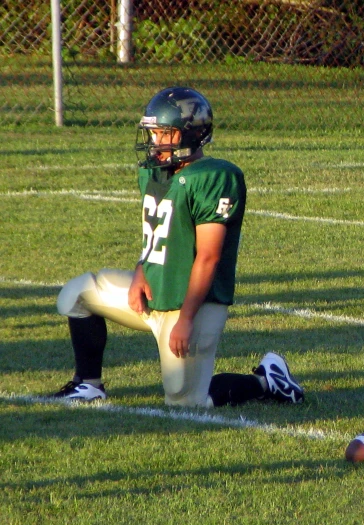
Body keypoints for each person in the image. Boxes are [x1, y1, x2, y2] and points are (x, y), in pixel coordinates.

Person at [51, 86, 304, 408]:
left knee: (185, 401)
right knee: (77, 294)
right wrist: (142, 270)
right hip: (156, 291)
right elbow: (158, 234)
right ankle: (88, 385)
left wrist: (186, 319)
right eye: (153, 132)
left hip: (193, 304)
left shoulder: (213, 177)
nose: (156, 140)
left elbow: (209, 258)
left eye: (164, 133)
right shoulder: (157, 172)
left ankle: (266, 382)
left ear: (192, 134)